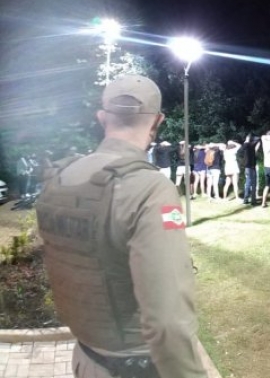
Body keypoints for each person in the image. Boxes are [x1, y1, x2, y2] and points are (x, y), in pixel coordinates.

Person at [35, 74, 207, 378]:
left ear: (102, 118)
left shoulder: (60, 177)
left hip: (85, 358)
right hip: (137, 368)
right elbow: (168, 323)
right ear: (157, 122)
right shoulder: (150, 188)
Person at [240, 133, 260, 205]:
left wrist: (248, 139)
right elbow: (258, 139)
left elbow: (258, 140)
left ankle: (247, 200)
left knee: (249, 183)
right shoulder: (248, 145)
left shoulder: (249, 145)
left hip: (249, 167)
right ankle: (252, 200)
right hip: (250, 167)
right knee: (252, 183)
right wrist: (248, 139)